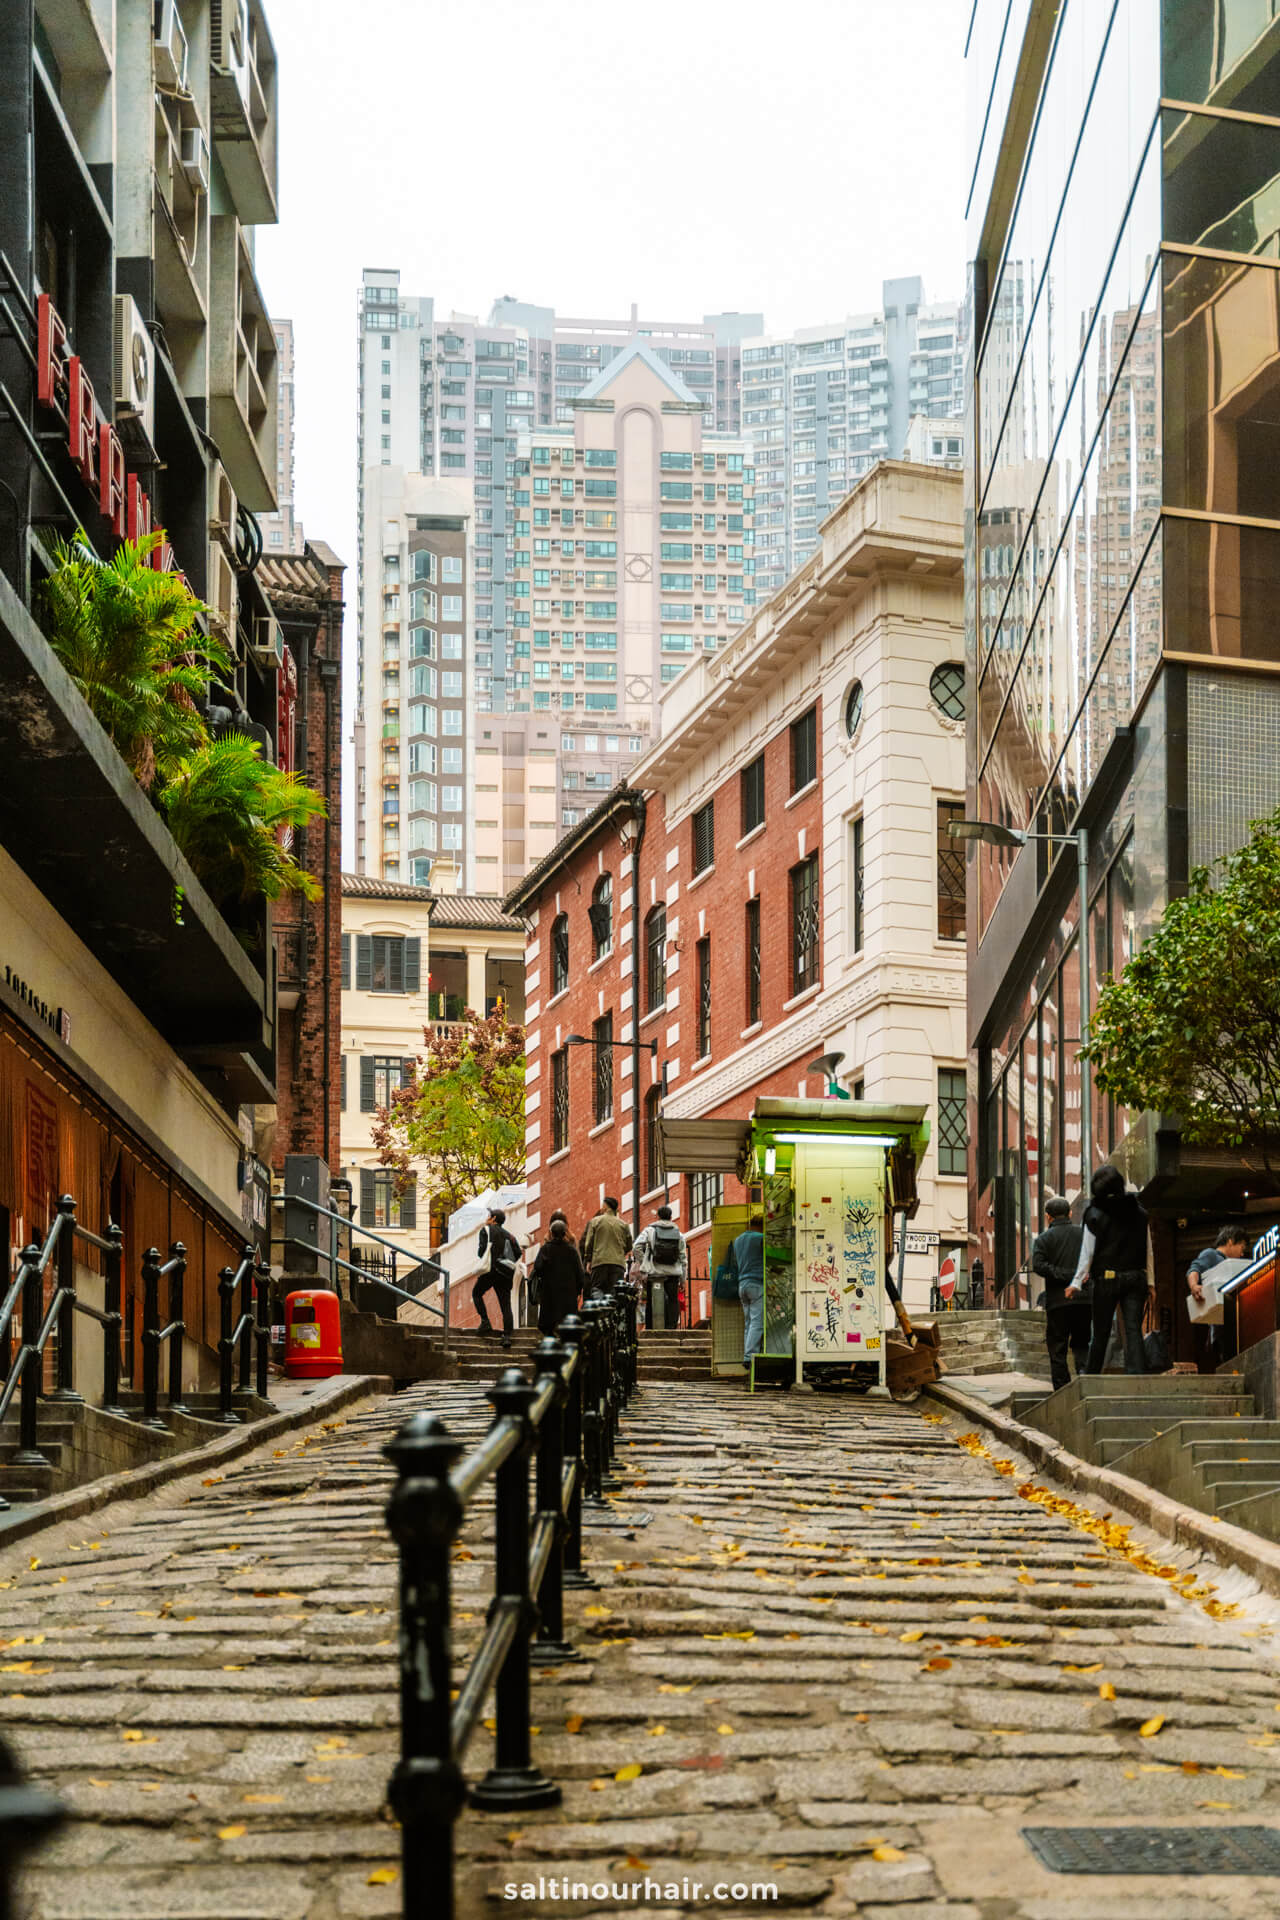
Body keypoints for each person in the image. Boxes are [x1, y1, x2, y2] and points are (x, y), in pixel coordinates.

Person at [1065, 1164, 1154, 1374]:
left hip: (1106, 1279)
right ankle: (1138, 1375)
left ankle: (1092, 1375)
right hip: (1136, 1277)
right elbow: (1148, 1249)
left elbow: (1087, 1252)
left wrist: (1076, 1282)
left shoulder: (1094, 1214)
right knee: (1133, 1329)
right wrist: (1151, 1282)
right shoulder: (1140, 1213)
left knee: (1101, 1331)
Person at [1031, 1194, 1089, 1391]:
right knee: (1082, 1343)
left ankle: (1062, 1389)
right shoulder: (1084, 1236)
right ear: (1070, 1213)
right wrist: (1077, 1275)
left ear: (1048, 1217)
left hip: (1058, 1302)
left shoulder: (1043, 1240)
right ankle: (1085, 1378)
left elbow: (1038, 1266)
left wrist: (1062, 1274)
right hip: (1083, 1299)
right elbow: (1094, 1260)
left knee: (1057, 1347)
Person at [1187, 1224, 1252, 1370]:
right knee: (1227, 1358)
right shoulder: (1211, 1254)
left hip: (1233, 1323)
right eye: (1241, 1248)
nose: (1242, 1254)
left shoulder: (1233, 1265)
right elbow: (1194, 1270)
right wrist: (1194, 1286)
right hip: (1220, 1324)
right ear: (1230, 1241)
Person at [632, 1205, 687, 1328]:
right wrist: (683, 1280)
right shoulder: (679, 1234)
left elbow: (636, 1247)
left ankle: (651, 1328)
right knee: (673, 1299)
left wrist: (645, 1263)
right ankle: (671, 1327)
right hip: (673, 1273)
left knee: (651, 1300)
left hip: (655, 1272)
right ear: (671, 1217)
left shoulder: (650, 1230)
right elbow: (683, 1259)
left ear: (658, 1217)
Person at [529, 1218, 585, 1336]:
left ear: (551, 1233)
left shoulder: (545, 1249)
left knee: (549, 1324)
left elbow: (538, 1267)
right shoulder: (572, 1250)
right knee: (568, 1325)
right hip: (568, 1293)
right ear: (564, 1233)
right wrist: (579, 1289)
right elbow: (580, 1272)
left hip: (550, 1292)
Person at [473, 1206, 519, 1348]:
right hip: (505, 1273)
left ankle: (485, 1321)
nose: (487, 1218)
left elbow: (481, 1252)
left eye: (489, 1216)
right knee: (506, 1304)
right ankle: (507, 1336)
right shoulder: (510, 1236)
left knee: (477, 1293)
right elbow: (517, 1253)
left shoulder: (486, 1230)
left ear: (493, 1219)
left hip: (491, 1270)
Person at [727, 1220, 765, 1366]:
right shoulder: (760, 1238)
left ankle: (747, 1355)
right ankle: (750, 1357)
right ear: (761, 1225)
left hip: (742, 1284)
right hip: (757, 1283)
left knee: (748, 1322)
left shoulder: (738, 1240)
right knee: (757, 1321)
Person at [581, 1195, 633, 1296]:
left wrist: (588, 1259)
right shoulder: (624, 1224)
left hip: (599, 1262)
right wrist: (620, 1253)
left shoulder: (595, 1222)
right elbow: (629, 1245)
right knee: (615, 1292)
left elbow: (589, 1243)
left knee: (597, 1289)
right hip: (618, 1264)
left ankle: (601, 1310)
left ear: (605, 1206)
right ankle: (612, 1311)